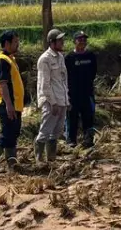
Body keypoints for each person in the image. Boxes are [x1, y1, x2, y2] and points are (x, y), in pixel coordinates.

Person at [0, 30, 23, 170]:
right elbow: (3, 84)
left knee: (13, 133)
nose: (18, 44)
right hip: (6, 104)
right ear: (7, 43)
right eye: (15, 42)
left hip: (14, 104)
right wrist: (9, 105)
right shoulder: (2, 61)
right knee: (7, 133)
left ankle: (12, 163)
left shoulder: (10, 59)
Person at [35, 28, 69, 163]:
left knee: (57, 130)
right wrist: (52, 102)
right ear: (52, 42)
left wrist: (67, 99)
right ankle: (39, 158)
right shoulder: (45, 59)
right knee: (46, 130)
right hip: (51, 101)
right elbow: (45, 84)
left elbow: (63, 80)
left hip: (62, 99)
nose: (62, 42)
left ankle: (51, 157)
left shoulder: (60, 57)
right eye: (60, 40)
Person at [65, 30, 98, 147]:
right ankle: (71, 141)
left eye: (84, 39)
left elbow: (94, 72)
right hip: (73, 94)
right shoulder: (69, 57)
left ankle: (88, 140)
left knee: (88, 116)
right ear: (74, 41)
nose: (83, 41)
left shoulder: (91, 56)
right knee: (72, 117)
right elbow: (65, 75)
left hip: (87, 92)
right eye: (80, 39)